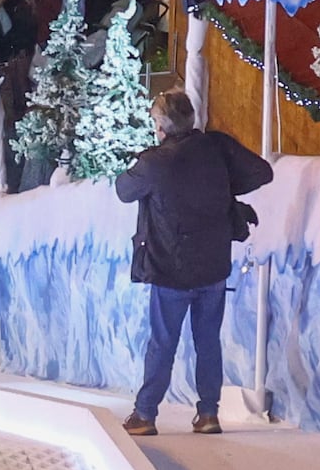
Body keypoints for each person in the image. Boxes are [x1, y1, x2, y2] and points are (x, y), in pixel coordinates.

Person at [112, 85, 270, 439]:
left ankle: (145, 414)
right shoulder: (216, 147)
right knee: (208, 341)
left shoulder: (156, 162)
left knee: (162, 343)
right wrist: (225, 187)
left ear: (163, 125)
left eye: (155, 121)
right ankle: (208, 415)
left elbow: (124, 190)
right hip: (213, 265)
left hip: (171, 268)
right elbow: (261, 172)